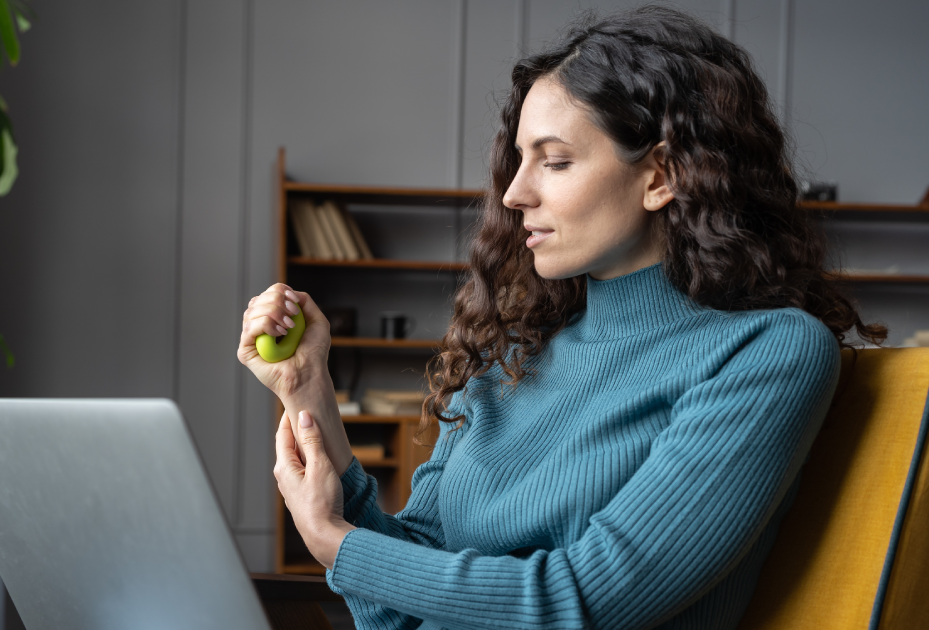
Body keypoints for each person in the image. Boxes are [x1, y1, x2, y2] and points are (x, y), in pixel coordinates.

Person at [237, 6, 886, 629]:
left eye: (554, 161)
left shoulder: (768, 351)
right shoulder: (513, 356)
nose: (515, 193)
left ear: (661, 176)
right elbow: (401, 601)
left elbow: (584, 603)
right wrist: (308, 392)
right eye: (520, 160)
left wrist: (335, 543)